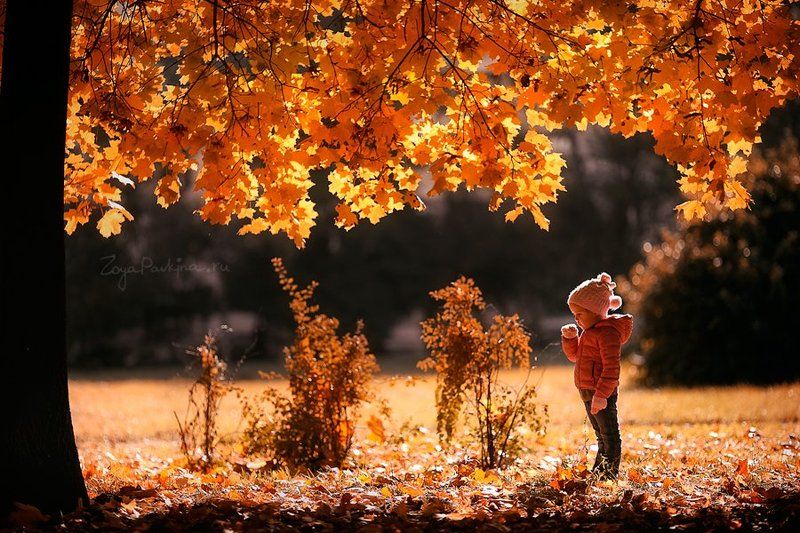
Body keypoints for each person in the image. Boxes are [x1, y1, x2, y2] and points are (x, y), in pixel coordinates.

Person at [561, 272, 633, 480]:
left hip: (600, 392)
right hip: (587, 390)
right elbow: (575, 356)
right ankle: (599, 473)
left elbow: (612, 369)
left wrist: (602, 395)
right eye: (574, 314)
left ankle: (609, 476)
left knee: (609, 435)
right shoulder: (589, 332)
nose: (576, 318)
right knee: (600, 435)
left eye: (580, 314)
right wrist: (571, 338)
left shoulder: (607, 333)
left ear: (595, 310)